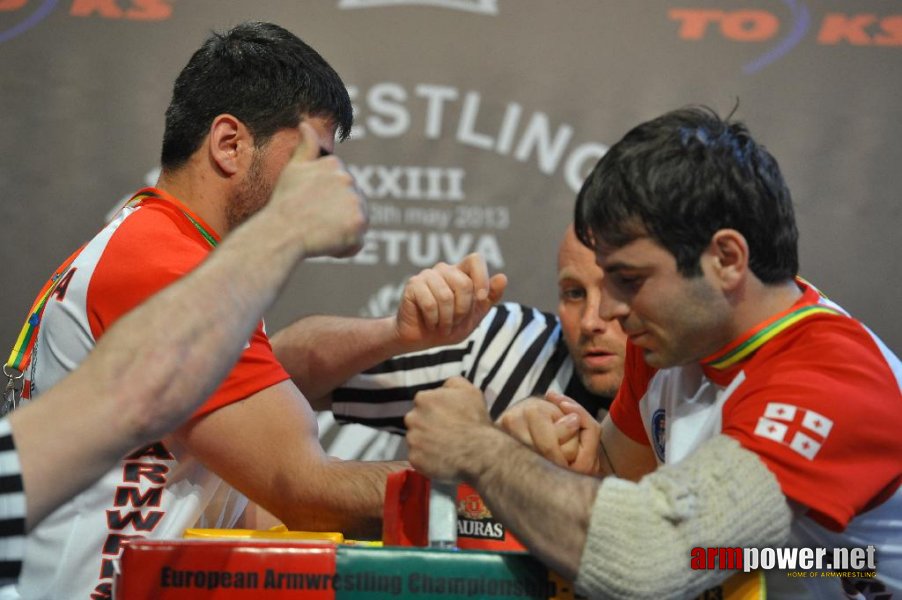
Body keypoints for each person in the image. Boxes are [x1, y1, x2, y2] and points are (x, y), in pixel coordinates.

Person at [403, 107, 902, 599]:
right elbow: (618, 480)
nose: (613, 311)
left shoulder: (830, 380)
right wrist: (556, 449)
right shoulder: (673, 339)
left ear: (726, 260)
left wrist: (484, 451)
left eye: (629, 280)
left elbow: (649, 558)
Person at [6, 22, 404, 600]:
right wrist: (482, 488)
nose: (327, 182)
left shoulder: (168, 249)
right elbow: (300, 487)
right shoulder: (162, 264)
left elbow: (260, 509)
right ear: (229, 144)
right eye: (312, 158)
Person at [269, 225, 628, 442]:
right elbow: (272, 377)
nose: (591, 321)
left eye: (619, 288)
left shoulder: (681, 388)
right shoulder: (506, 345)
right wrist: (394, 334)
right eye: (574, 293)